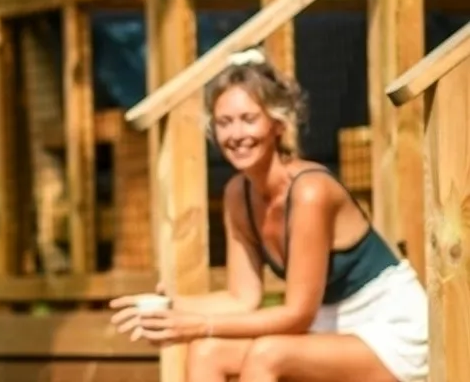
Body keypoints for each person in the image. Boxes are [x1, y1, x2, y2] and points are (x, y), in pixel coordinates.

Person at [108, 48, 428, 382]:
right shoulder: (238, 194)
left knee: (268, 354)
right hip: (330, 327)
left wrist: (200, 324)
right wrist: (173, 308)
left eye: (249, 119)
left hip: (390, 332)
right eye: (224, 123)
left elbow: (298, 316)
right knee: (206, 350)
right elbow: (242, 298)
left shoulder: (310, 191)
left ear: (277, 124)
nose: (236, 136)